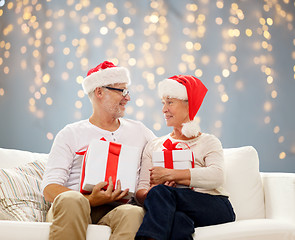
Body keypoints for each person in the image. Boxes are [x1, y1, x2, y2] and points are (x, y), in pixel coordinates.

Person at [41, 60, 155, 240]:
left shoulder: (140, 132)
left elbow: (161, 155)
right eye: (122, 91)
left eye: (128, 91)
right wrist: (90, 200)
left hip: (114, 211)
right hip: (74, 207)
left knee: (133, 213)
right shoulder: (71, 133)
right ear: (99, 92)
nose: (128, 98)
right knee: (72, 200)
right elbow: (49, 189)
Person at [135, 75, 236, 240]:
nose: (164, 109)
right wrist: (150, 193)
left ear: (189, 104)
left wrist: (171, 175)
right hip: (172, 206)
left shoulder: (208, 141)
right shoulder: (154, 145)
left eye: (170, 102)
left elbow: (217, 176)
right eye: (163, 103)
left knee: (162, 193)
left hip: (214, 206)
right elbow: (141, 192)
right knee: (178, 221)